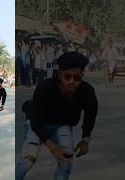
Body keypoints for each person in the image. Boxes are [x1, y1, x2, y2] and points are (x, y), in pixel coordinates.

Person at [16, 52, 98, 180]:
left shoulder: (87, 91)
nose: (72, 82)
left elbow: (91, 114)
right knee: (28, 160)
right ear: (60, 75)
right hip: (38, 123)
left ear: (82, 76)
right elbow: (36, 122)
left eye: (76, 78)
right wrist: (52, 147)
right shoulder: (45, 88)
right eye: (67, 76)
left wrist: (85, 139)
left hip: (62, 124)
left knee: (67, 160)